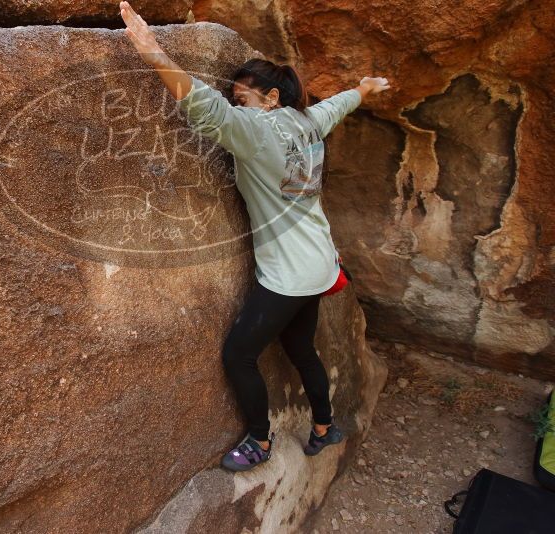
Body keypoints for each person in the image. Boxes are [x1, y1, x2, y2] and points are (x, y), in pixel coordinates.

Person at [119, 1, 390, 471]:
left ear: (270, 97)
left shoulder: (258, 130)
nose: (234, 102)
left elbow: (207, 110)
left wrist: (155, 55)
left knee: (238, 355)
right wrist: (361, 90)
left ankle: (259, 443)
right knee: (302, 349)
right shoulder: (307, 124)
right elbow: (334, 107)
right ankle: (324, 428)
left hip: (288, 274)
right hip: (321, 263)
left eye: (241, 95)